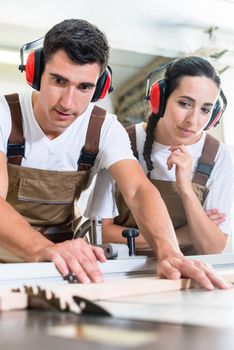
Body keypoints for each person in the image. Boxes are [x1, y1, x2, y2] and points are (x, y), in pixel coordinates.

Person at [0, 19, 231, 290]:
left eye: (84, 87)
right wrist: (41, 248)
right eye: (59, 81)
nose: (68, 102)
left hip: (59, 267)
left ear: (99, 86)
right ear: (35, 71)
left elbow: (137, 191)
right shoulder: (5, 115)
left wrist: (169, 252)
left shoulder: (104, 128)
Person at [86, 56, 234, 257]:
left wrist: (186, 190)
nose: (193, 120)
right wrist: (181, 237)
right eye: (184, 104)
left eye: (205, 109)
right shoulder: (122, 141)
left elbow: (213, 247)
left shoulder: (217, 155)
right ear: (160, 99)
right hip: (125, 275)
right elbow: (100, 234)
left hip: (188, 278)